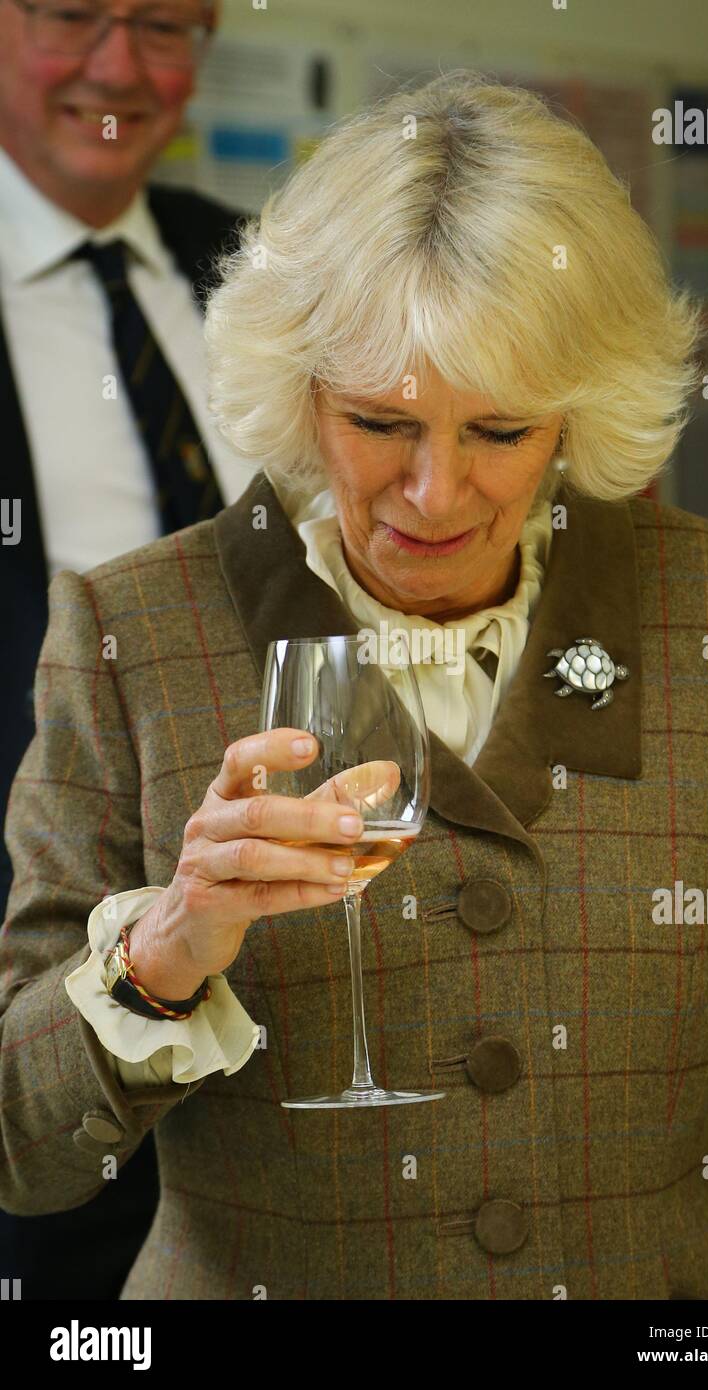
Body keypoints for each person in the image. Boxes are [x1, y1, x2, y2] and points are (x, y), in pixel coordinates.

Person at [1, 70, 708, 1301]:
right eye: (382, 421)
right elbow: (22, 1150)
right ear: (301, 390)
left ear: (578, 415)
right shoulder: (130, 628)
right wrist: (167, 951)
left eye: (500, 433)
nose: (436, 495)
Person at [0, 0, 252, 1298]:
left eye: (161, 23)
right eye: (73, 15)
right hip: (24, 935)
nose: (118, 67)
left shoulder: (259, 270)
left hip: (273, 932)